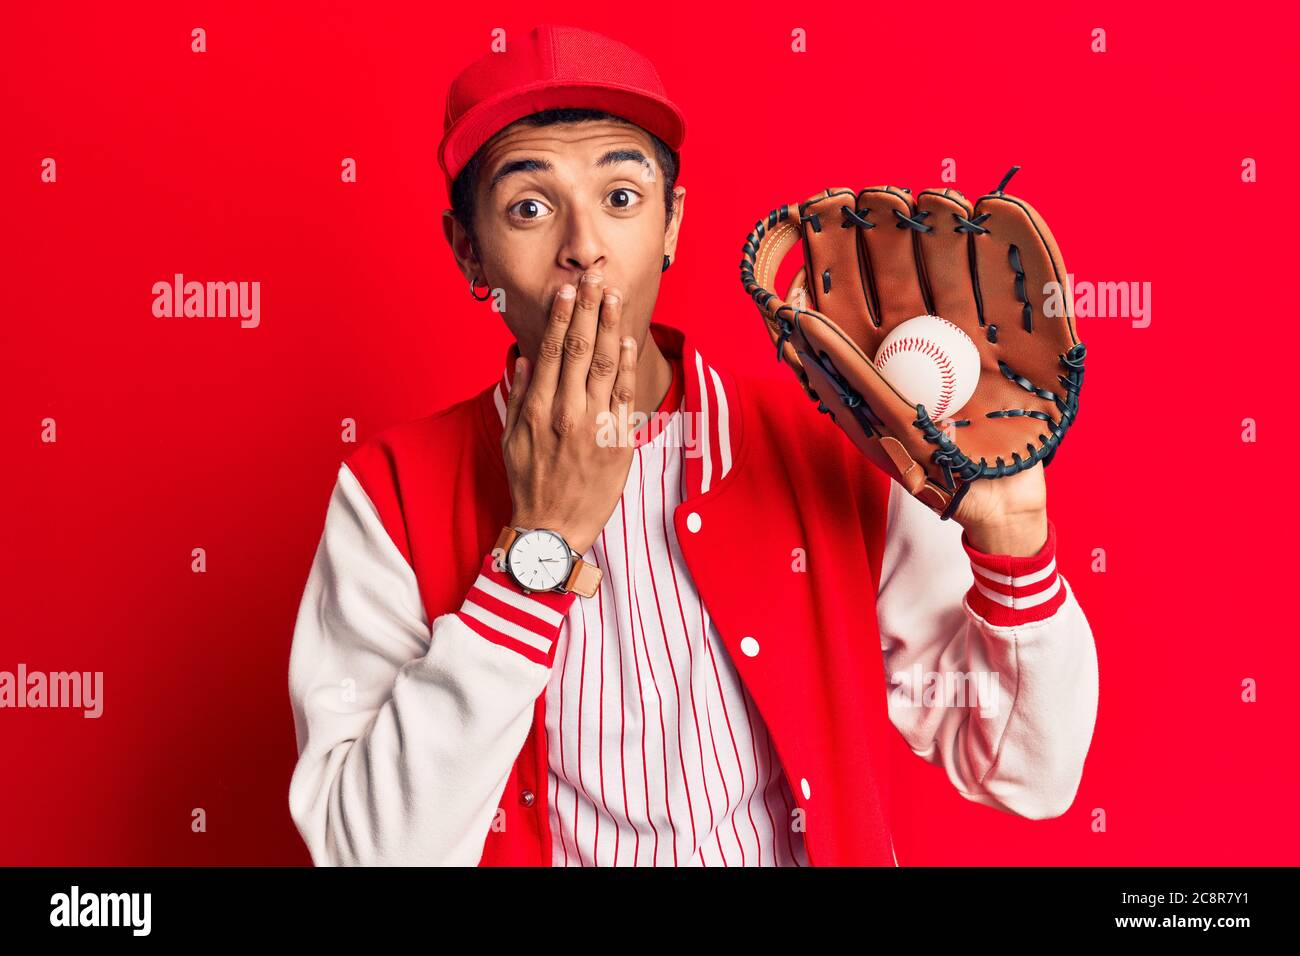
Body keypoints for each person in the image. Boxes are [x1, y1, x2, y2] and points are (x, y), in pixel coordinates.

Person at [286, 23, 1099, 867]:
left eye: (622, 197)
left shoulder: (831, 447)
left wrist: (1014, 541)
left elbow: (1030, 775)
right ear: (468, 253)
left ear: (672, 224)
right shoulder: (388, 494)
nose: (584, 247)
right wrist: (539, 548)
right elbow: (366, 853)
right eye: (529, 206)